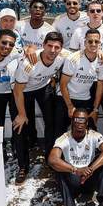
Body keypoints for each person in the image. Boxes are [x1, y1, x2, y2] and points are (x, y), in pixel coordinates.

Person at [48, 109, 103, 206]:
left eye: (83, 120)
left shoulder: (94, 135)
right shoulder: (63, 138)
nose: (79, 122)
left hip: (89, 179)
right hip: (73, 180)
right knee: (58, 170)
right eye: (77, 119)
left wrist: (91, 169)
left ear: (87, 123)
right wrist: (76, 170)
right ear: (72, 121)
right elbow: (52, 159)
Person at [12, 31, 68, 184]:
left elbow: (81, 54)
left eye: (57, 47)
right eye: (49, 46)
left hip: (43, 88)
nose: (52, 50)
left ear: (61, 49)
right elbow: (17, 90)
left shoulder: (63, 56)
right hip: (23, 91)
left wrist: (102, 54)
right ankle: (23, 166)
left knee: (51, 123)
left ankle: (51, 157)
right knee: (21, 126)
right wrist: (22, 114)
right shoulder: (29, 62)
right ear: (43, 45)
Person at [58, 29, 103, 138]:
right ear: (84, 43)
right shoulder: (73, 59)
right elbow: (63, 84)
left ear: (100, 43)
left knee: (90, 131)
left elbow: (100, 85)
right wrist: (70, 106)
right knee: (59, 132)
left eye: (96, 42)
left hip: (85, 99)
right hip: (65, 98)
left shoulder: (102, 61)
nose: (93, 44)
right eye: (90, 41)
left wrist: (96, 109)